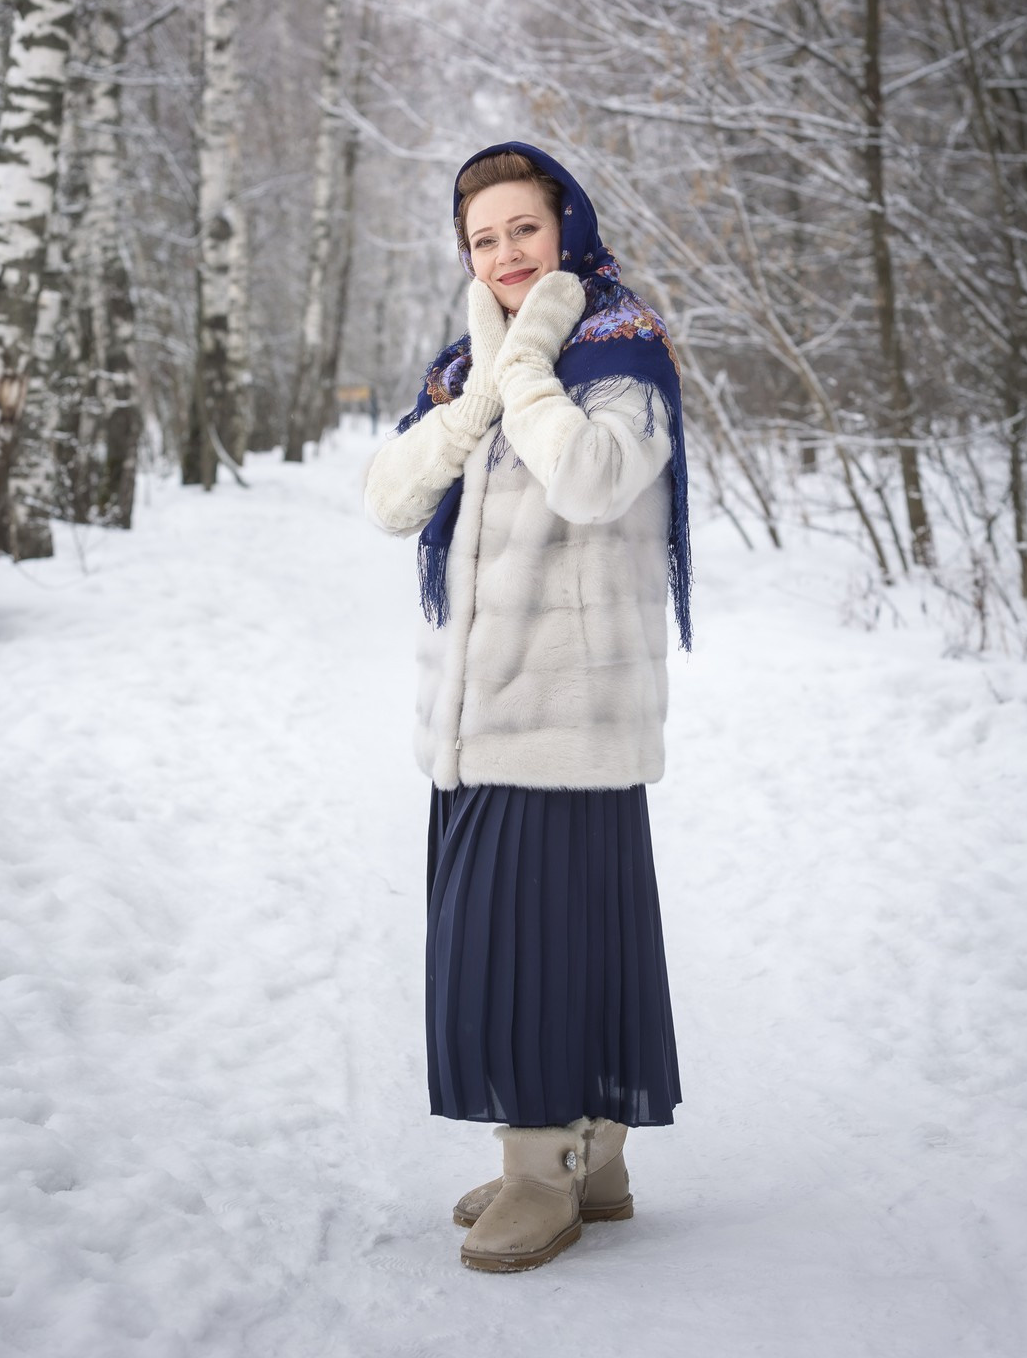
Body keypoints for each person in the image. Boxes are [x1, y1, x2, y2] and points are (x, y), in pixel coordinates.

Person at [364, 141, 692, 1273]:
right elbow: (389, 498)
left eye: (522, 229)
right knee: (518, 945)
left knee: (529, 952)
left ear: (566, 227)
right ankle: (585, 1165)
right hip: (474, 721)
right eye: (482, 238)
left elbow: (591, 480)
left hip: (569, 716)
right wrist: (486, 386)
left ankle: (537, 1168)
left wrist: (535, 361)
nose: (504, 253)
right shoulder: (471, 361)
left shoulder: (619, 349)